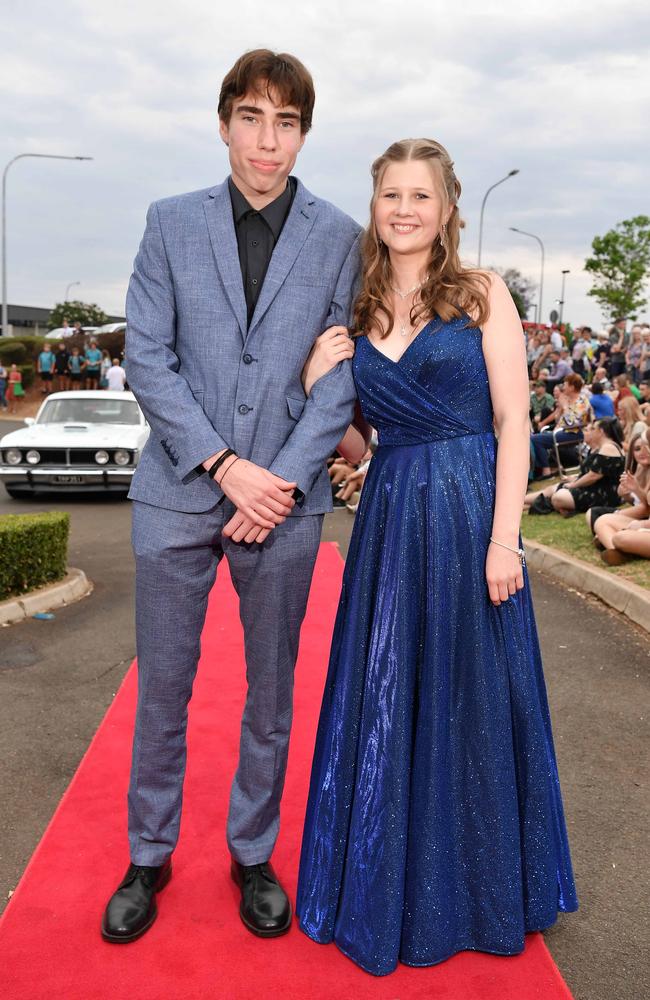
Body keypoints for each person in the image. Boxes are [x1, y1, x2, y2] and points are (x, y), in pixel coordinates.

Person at [296, 138, 577, 976]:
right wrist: (320, 379)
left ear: (448, 209)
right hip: (388, 520)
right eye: (392, 195)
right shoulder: (356, 308)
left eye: (422, 195)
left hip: (466, 512)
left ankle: (482, 888)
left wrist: (504, 540)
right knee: (389, 690)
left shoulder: (484, 293)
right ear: (375, 206)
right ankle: (387, 877)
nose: (406, 209)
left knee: (470, 694)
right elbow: (357, 439)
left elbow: (513, 425)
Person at [101, 49, 362, 945]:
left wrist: (278, 481)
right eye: (251, 117)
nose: (267, 139)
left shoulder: (339, 236)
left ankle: (253, 853)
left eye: (286, 122)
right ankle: (149, 853)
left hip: (284, 502)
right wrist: (224, 465)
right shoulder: (170, 222)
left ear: (303, 135)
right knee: (164, 689)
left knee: (270, 693)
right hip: (176, 491)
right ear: (223, 124)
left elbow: (339, 378)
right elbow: (149, 358)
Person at [547, 418, 625, 516]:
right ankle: (523, 502)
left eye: (593, 429)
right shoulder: (606, 446)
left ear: (601, 432)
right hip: (598, 490)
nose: (590, 432)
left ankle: (524, 502)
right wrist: (575, 481)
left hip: (605, 495)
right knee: (555, 492)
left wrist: (574, 484)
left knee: (558, 496)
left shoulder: (608, 447)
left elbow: (594, 476)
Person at [530, 372, 592, 478]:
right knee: (535, 438)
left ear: (572, 387)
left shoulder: (582, 401)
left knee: (536, 439)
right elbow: (559, 420)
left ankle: (546, 471)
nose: (563, 387)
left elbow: (572, 423)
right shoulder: (568, 399)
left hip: (573, 433)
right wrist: (560, 409)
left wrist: (565, 407)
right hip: (563, 432)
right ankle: (544, 470)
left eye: (565, 385)